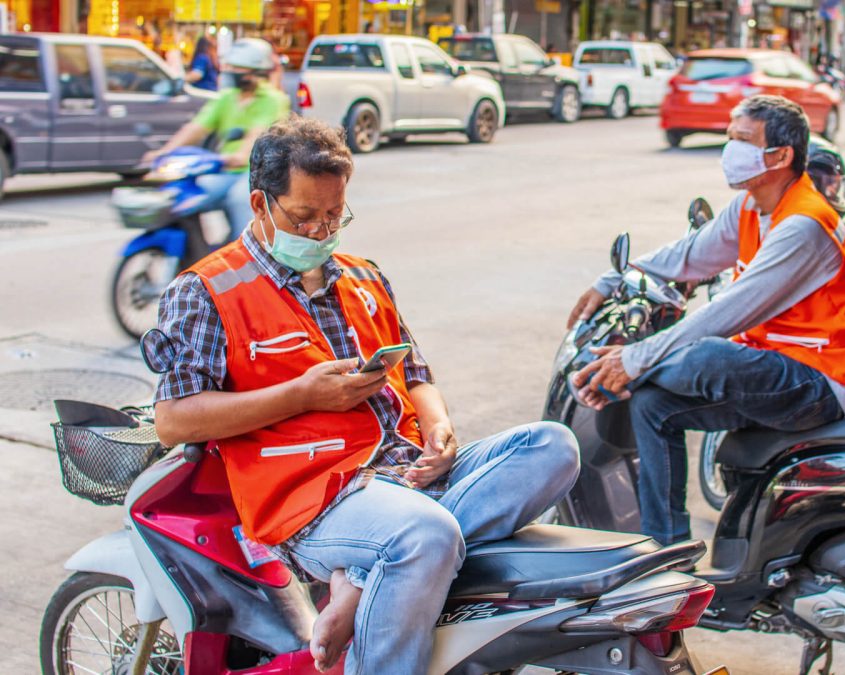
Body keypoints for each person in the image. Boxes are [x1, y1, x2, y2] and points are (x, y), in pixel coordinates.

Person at [150, 117, 580, 673]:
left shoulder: (364, 277)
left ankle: (359, 582)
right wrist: (301, 395)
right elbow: (175, 420)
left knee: (554, 447)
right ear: (260, 203)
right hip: (312, 497)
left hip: (406, 473)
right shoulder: (205, 291)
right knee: (426, 533)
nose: (321, 232)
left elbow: (417, 374)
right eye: (305, 217)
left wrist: (439, 428)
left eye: (335, 216)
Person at [566, 95, 845, 546]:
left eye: (741, 140)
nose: (729, 149)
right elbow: (689, 256)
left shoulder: (804, 224)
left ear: (780, 155)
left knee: (707, 354)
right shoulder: (751, 206)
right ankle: (665, 550)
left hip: (824, 380)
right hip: (776, 365)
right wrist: (613, 279)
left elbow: (727, 312)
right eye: (729, 137)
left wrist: (633, 360)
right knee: (652, 407)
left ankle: (608, 374)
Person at [142, 38, 290, 244]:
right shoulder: (226, 98)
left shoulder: (273, 100)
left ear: (254, 72)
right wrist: (164, 152)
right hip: (224, 170)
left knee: (240, 200)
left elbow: (257, 134)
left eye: (238, 68)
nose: (231, 72)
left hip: (255, 173)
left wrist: (240, 155)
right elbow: (196, 128)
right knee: (185, 195)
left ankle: (247, 254)